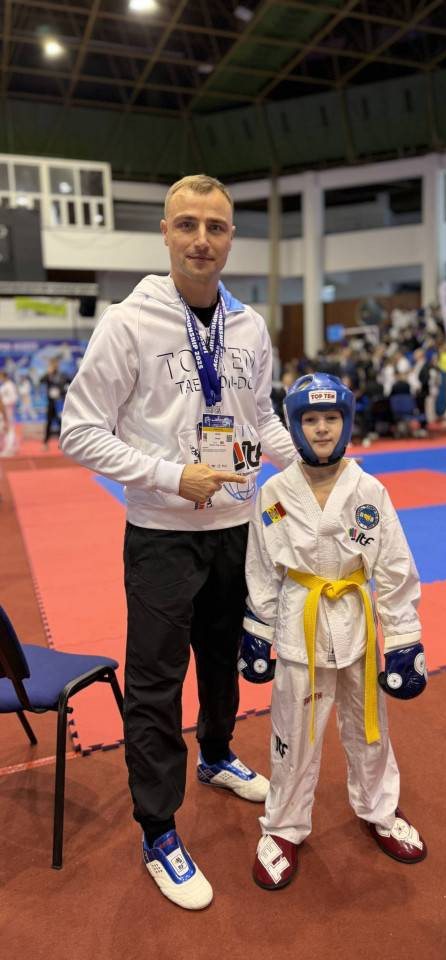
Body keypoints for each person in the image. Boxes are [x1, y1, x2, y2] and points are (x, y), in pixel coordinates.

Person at [60, 174, 297, 910]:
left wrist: (320, 472)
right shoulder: (128, 323)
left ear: (231, 239)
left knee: (225, 664)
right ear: (165, 232)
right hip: (162, 535)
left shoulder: (250, 326)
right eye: (187, 224)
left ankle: (217, 754)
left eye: (215, 227)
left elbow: (260, 418)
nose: (201, 240)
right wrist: (170, 475)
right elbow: (78, 431)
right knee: (157, 685)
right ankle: (158, 829)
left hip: (236, 530)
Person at [238, 372, 427, 891]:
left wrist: (405, 642)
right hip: (298, 628)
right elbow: (262, 569)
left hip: (357, 628)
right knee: (292, 736)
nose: (322, 428)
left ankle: (380, 810)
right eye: (310, 419)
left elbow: (395, 570)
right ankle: (282, 827)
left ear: (346, 422)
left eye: (331, 418)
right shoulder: (274, 493)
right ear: (294, 426)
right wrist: (257, 631)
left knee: (370, 731)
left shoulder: (370, 490)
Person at [40, 358, 68, 448]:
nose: (55, 366)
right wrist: (48, 372)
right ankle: (45, 443)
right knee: (49, 422)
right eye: (52, 364)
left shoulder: (61, 375)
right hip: (51, 403)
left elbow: (68, 383)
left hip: (59, 403)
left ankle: (62, 443)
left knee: (60, 423)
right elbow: (41, 380)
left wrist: (63, 392)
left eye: (56, 364)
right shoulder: (49, 375)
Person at [0, 370, 18, 456]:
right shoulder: (3, 386)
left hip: (8, 409)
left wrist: (4, 402)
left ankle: (10, 449)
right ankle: (8, 447)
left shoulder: (10, 385)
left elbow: (14, 398)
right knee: (3, 428)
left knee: (9, 428)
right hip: (2, 409)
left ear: (4, 376)